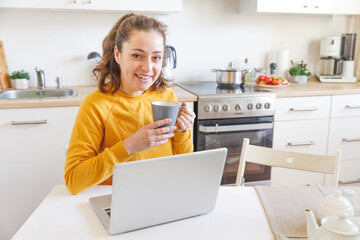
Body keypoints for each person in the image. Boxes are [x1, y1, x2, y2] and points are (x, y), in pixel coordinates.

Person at [64, 13, 195, 195]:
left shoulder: (167, 95)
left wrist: (182, 132)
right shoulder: (95, 105)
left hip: (164, 195)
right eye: (137, 55)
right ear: (118, 54)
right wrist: (129, 146)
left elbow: (184, 165)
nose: (148, 68)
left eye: (156, 57)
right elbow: (74, 180)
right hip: (116, 200)